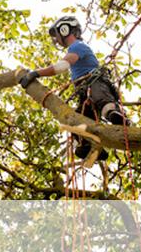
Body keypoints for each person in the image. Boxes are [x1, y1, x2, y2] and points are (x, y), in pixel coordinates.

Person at [19, 16, 130, 160]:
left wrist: (35, 73)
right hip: (84, 93)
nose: (56, 39)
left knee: (100, 97)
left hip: (95, 82)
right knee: (78, 119)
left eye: (57, 34)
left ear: (64, 30)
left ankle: (113, 114)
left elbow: (62, 66)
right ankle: (89, 145)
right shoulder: (75, 47)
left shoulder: (77, 46)